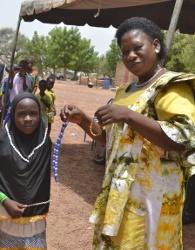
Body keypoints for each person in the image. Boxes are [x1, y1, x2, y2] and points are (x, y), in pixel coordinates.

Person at [60, 17, 195, 249]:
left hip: (151, 201)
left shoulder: (170, 86)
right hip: (118, 196)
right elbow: (115, 141)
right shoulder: (125, 90)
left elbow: (184, 138)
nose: (130, 55)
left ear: (155, 45)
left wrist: (128, 115)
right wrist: (82, 120)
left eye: (137, 48)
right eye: (125, 52)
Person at [0, 92, 51, 249]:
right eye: (21, 114)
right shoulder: (2, 141)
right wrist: (4, 200)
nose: (28, 118)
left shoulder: (45, 142)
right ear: (12, 114)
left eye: (33, 114)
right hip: (5, 220)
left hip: (35, 225)